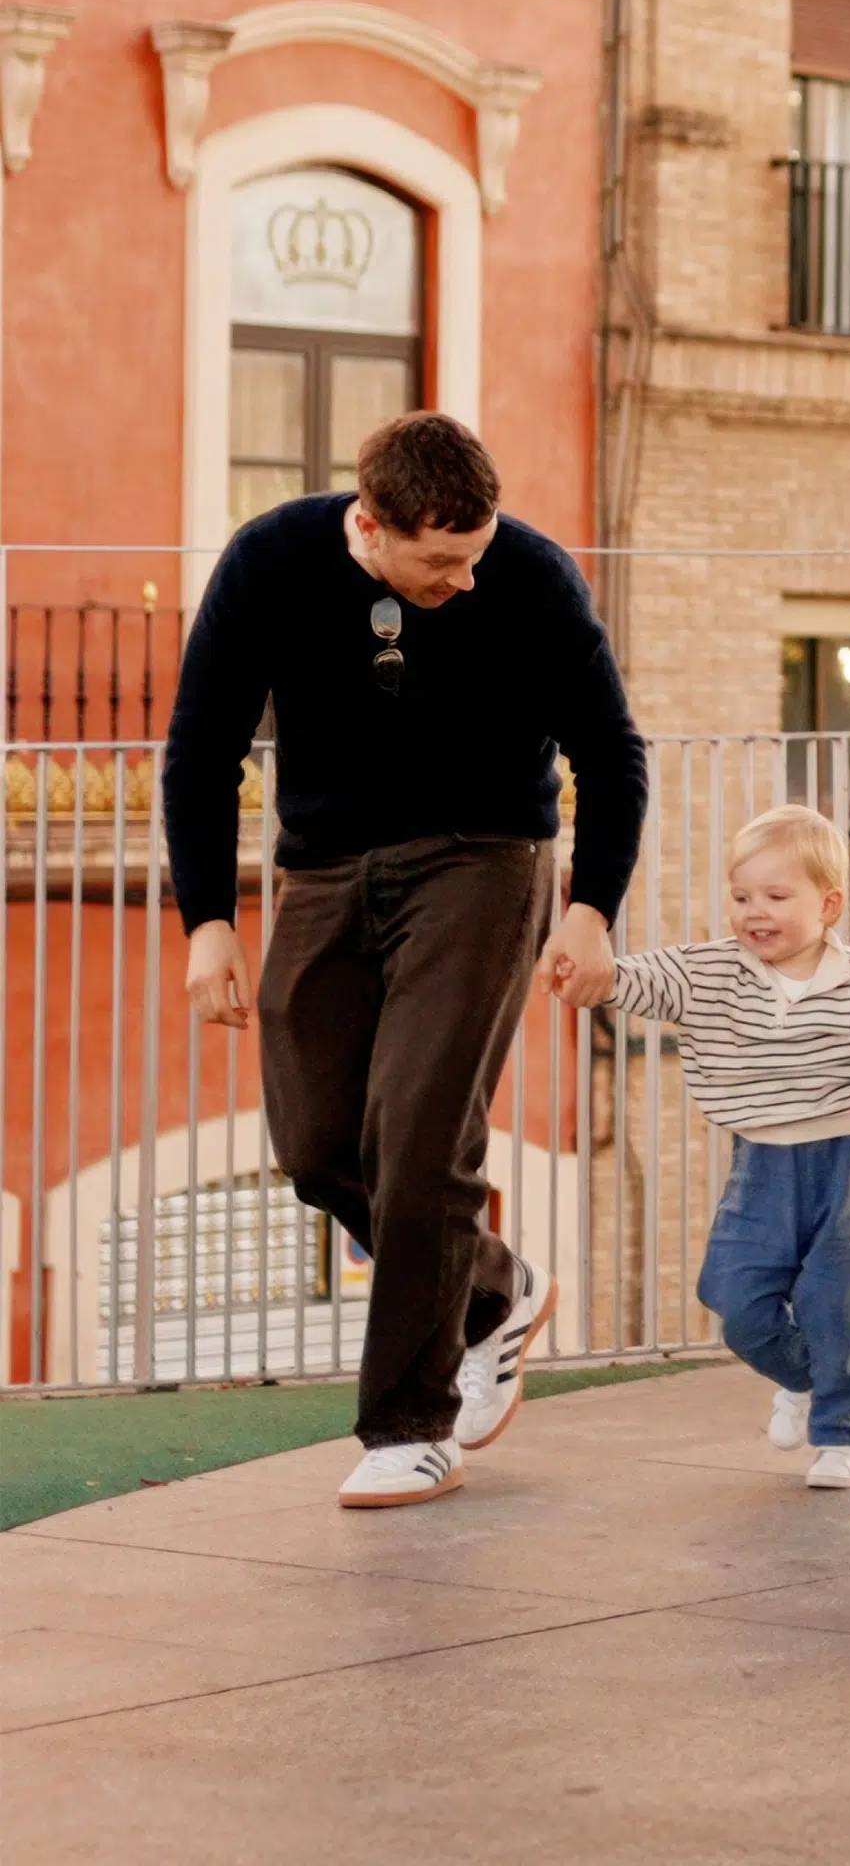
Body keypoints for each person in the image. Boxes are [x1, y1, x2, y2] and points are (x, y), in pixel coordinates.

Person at [165, 412, 646, 1509]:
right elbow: (201, 749)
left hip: (484, 860)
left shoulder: (532, 577)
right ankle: (492, 1290)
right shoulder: (270, 562)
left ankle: (409, 1426)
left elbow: (611, 752)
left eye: (477, 554)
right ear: (371, 526)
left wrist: (590, 910)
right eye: (442, 562)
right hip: (322, 868)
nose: (465, 580)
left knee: (422, 1135)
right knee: (316, 1146)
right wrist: (208, 921)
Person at [596, 805, 850, 1488]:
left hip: (842, 1164)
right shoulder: (712, 970)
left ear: (828, 905)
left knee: (834, 1304)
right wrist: (593, 972)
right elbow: (641, 980)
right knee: (734, 1298)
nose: (755, 913)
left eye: (777, 897)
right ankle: (805, 1376)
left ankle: (840, 1435)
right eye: (743, 896)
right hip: (761, 1165)